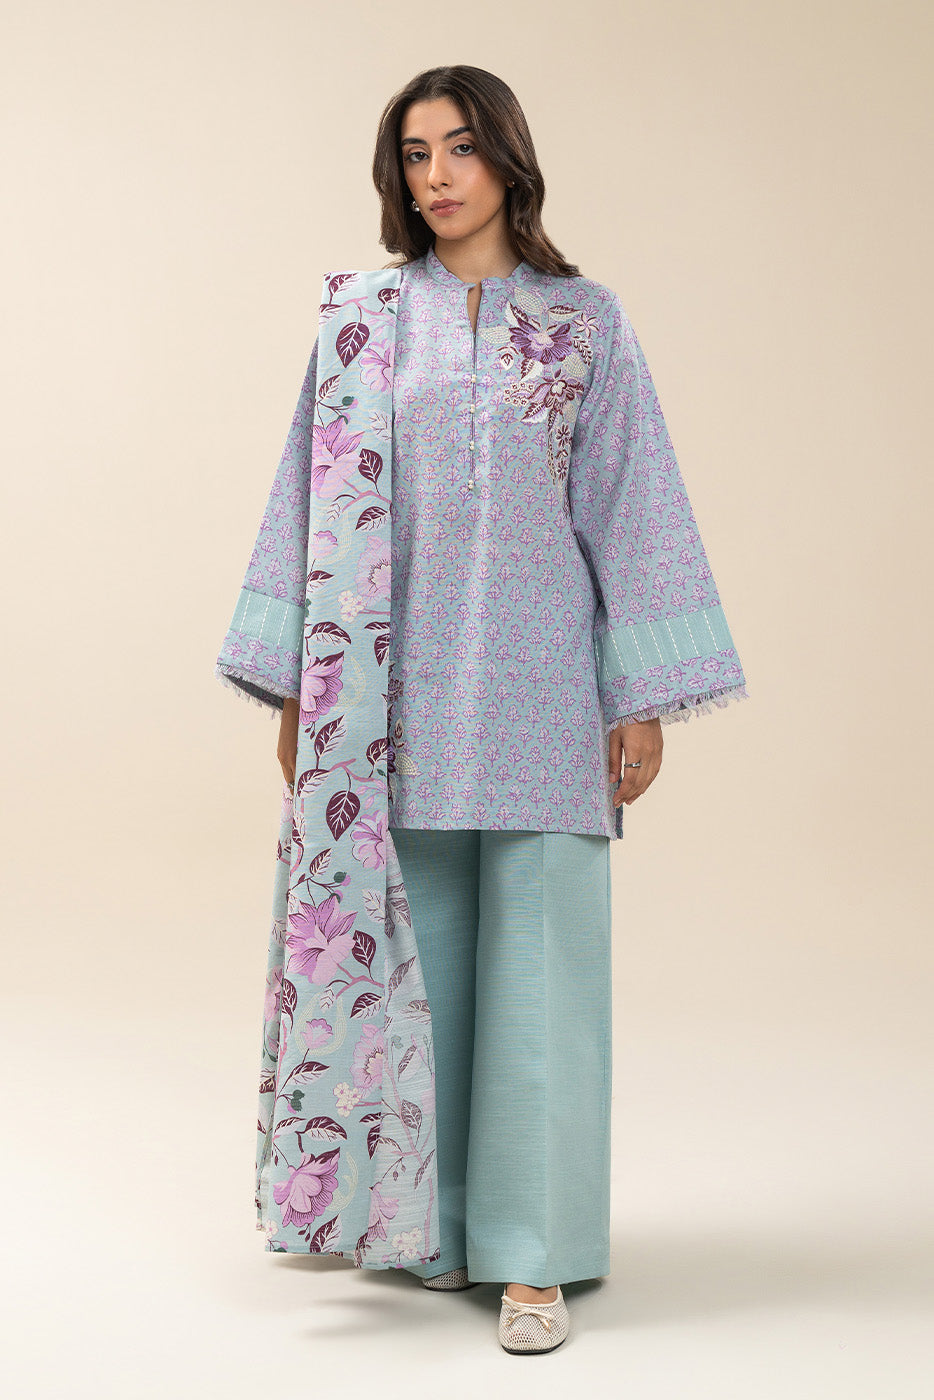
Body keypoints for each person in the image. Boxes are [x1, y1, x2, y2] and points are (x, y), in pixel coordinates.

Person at [217, 64, 747, 1356]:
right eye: (415, 154)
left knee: (541, 982)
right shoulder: (360, 323)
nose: (438, 176)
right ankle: (432, 1226)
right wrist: (299, 689)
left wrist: (640, 698)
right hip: (386, 695)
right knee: (418, 968)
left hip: (542, 689)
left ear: (509, 157)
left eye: (459, 148)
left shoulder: (583, 322)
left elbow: (630, 501)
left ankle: (533, 1256)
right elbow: (303, 496)